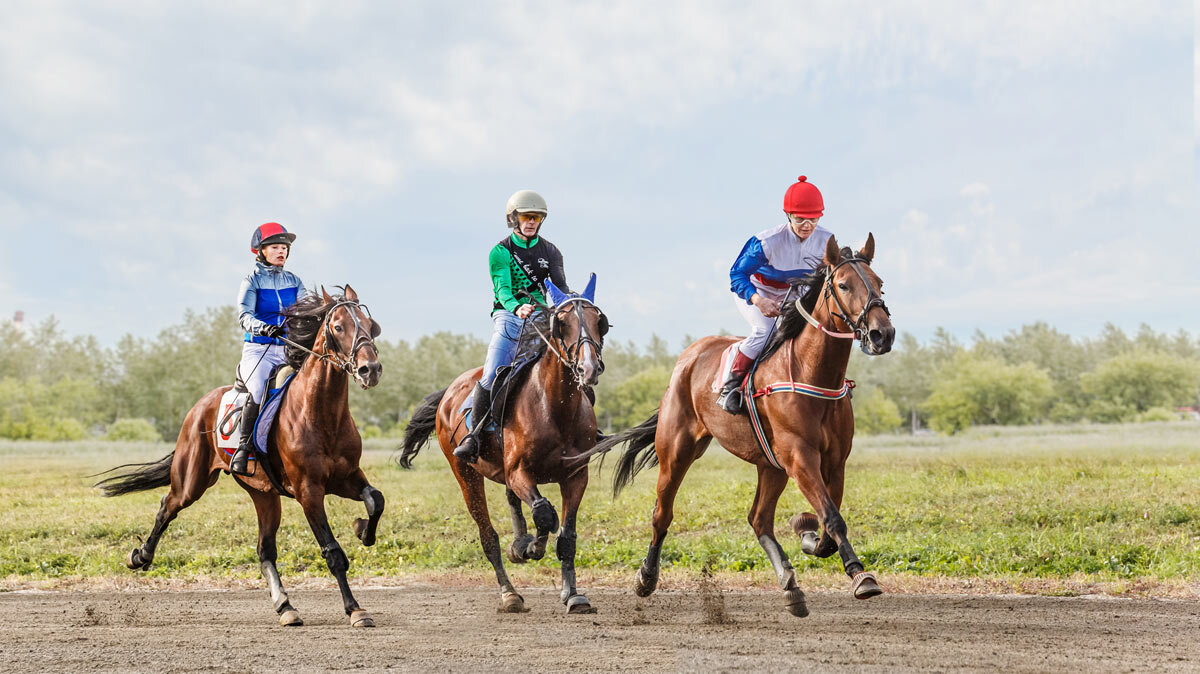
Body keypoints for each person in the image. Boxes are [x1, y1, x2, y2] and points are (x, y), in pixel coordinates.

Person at [452, 190, 569, 463]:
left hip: (541, 316)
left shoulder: (551, 251)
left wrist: (567, 306)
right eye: (527, 216)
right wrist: (517, 307)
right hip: (508, 316)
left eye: (537, 217)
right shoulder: (500, 252)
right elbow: (503, 289)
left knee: (569, 363)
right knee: (493, 371)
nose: (532, 222)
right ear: (513, 219)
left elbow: (559, 288)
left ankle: (585, 428)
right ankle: (474, 436)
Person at [717, 176, 834, 414]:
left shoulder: (826, 241)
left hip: (794, 293)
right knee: (766, 330)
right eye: (800, 219)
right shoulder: (766, 242)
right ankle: (731, 386)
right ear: (788, 215)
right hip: (755, 291)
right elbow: (736, 275)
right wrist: (759, 300)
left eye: (813, 219)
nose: (807, 225)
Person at [229, 223, 307, 476]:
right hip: (258, 350)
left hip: (287, 350)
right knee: (260, 388)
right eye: (275, 247)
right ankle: (244, 448)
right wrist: (264, 328)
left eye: (284, 247)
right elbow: (244, 316)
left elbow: (306, 311)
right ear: (261, 251)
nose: (281, 251)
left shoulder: (294, 281)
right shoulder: (251, 280)